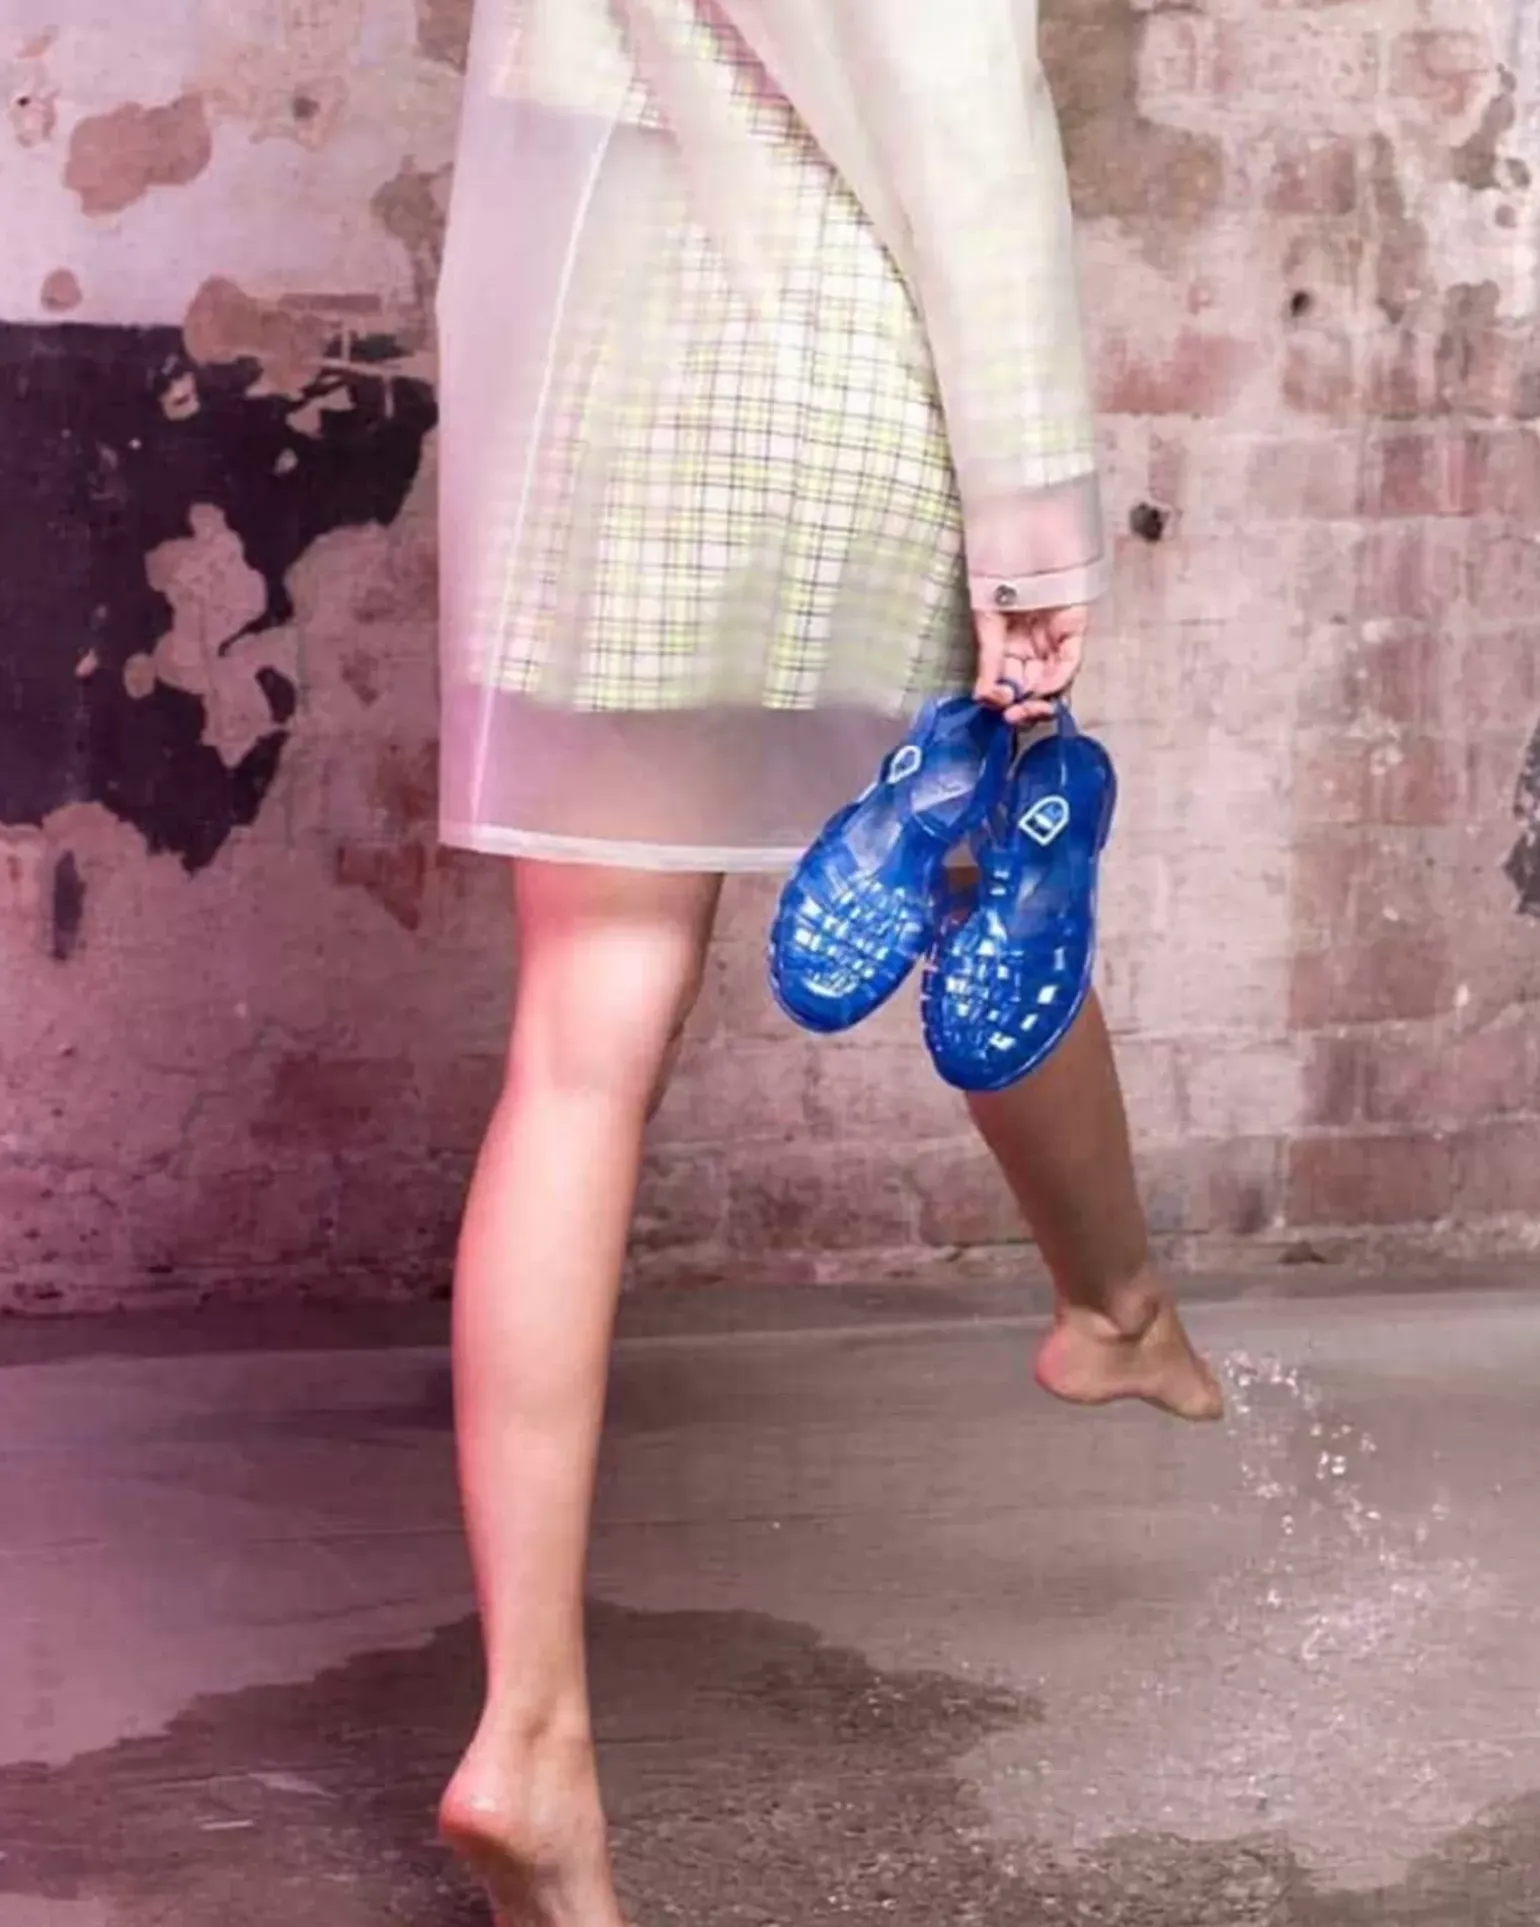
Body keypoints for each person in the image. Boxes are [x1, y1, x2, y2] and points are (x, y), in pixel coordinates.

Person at [431, 2, 1224, 1919]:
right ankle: (1114, 1299)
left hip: (582, 363)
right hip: (800, 368)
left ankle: (528, 1734)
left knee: (578, 1044)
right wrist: (1034, 523)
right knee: (984, 855)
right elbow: (948, 91)